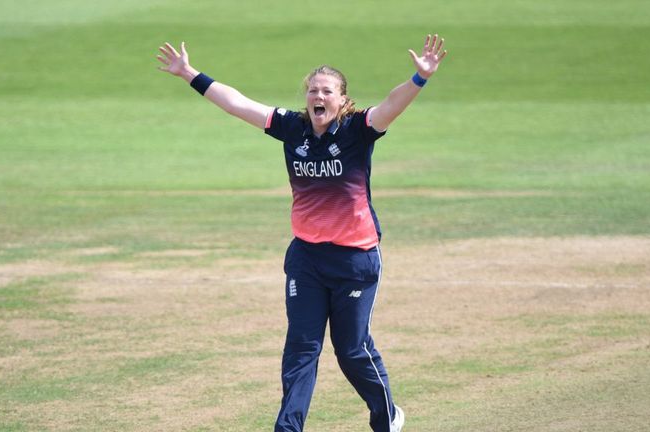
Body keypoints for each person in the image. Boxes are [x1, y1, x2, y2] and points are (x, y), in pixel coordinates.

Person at [157, 34, 447, 432]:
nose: (318, 95)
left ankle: (387, 416)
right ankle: (288, 427)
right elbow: (238, 103)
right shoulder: (292, 128)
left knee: (351, 351)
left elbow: (391, 107)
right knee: (301, 349)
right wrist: (190, 74)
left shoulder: (357, 130)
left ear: (342, 99)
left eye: (327, 90)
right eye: (312, 89)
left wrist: (419, 79)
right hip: (307, 258)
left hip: (355, 259)